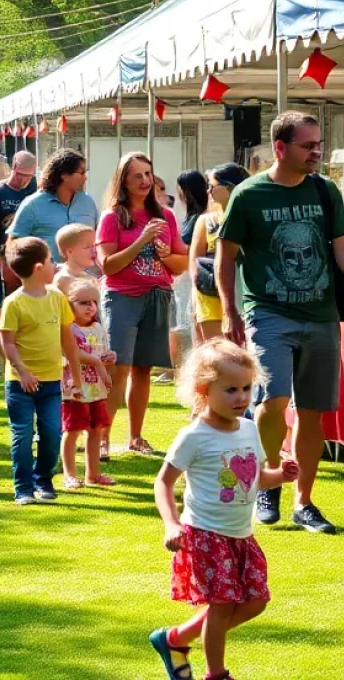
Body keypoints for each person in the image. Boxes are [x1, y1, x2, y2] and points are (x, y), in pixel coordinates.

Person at [216, 111, 344, 534]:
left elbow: (343, 246)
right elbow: (226, 257)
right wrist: (230, 312)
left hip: (322, 315)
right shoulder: (249, 194)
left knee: (312, 412)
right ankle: (269, 481)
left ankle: (304, 503)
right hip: (268, 311)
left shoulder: (325, 190)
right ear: (280, 148)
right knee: (272, 401)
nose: (317, 152)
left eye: (319, 144)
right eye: (308, 145)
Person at [151, 340, 299, 680]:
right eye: (231, 390)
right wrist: (171, 524)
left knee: (256, 601)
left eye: (247, 388)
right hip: (205, 535)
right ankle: (216, 674)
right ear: (204, 390)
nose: (242, 397)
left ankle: (175, 639)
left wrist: (282, 476)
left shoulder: (248, 429)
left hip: (241, 536)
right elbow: (163, 482)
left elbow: (256, 478)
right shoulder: (194, 436)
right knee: (221, 608)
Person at [96, 152, 188, 457]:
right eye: (138, 175)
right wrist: (140, 242)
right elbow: (107, 266)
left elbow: (180, 263)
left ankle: (135, 436)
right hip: (123, 296)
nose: (146, 181)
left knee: (143, 369)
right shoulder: (112, 217)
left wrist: (163, 254)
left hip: (158, 296)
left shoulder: (167, 216)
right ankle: (104, 437)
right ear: (123, 180)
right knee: (119, 367)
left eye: (149, 174)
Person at [0, 236, 82, 505]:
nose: (53, 265)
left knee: (52, 433)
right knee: (22, 435)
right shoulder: (14, 303)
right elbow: (6, 342)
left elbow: (68, 340)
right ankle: (22, 488)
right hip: (20, 385)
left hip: (51, 383)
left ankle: (43, 479)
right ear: (38, 268)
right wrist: (22, 371)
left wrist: (76, 377)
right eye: (49, 261)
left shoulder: (57, 298)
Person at [0, 150, 37, 374]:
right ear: (13, 167)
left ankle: (23, 354)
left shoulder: (33, 190)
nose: (24, 180)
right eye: (21, 174)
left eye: (29, 176)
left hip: (23, 258)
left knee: (25, 306)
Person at [59, 281, 116, 490]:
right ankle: (70, 475)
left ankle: (93, 474)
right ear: (69, 304)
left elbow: (101, 353)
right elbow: (73, 353)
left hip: (96, 389)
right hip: (74, 389)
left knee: (95, 430)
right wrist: (99, 363)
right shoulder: (68, 329)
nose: (91, 307)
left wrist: (108, 357)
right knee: (72, 431)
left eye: (94, 302)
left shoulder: (99, 328)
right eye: (84, 302)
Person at [190, 164, 248, 343]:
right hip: (209, 294)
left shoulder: (250, 217)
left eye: (212, 186)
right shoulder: (206, 221)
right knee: (217, 353)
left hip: (242, 294)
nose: (208, 192)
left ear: (229, 187)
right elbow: (194, 263)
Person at [7, 150, 98, 263]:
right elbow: (14, 245)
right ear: (65, 175)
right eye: (81, 173)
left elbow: (97, 238)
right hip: (47, 278)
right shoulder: (33, 205)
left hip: (85, 278)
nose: (85, 178)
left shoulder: (88, 202)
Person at [163, 170, 209, 383]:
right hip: (182, 279)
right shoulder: (191, 217)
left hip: (190, 278)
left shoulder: (199, 218)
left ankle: (191, 371)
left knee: (190, 325)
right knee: (184, 325)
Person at [53, 223, 98, 294]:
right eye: (87, 247)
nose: (94, 250)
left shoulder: (92, 279)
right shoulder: (63, 279)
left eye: (94, 246)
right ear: (70, 251)